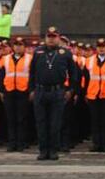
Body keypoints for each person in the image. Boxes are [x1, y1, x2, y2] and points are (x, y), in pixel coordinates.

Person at [30, 27, 79, 161]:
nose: (51, 39)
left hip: (57, 91)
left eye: (54, 36)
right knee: (41, 122)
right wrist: (31, 90)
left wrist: (70, 90)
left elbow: (74, 73)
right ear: (45, 38)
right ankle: (43, 150)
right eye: (49, 36)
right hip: (40, 91)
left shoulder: (65, 53)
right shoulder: (38, 52)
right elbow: (32, 72)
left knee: (55, 123)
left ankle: (53, 150)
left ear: (58, 38)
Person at [0, 37, 32, 151]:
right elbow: (1, 75)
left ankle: (21, 142)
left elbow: (33, 76)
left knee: (22, 118)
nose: (18, 47)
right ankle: (12, 142)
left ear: (25, 47)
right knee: (10, 118)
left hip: (23, 91)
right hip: (9, 91)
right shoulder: (5, 59)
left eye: (21, 45)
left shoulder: (30, 59)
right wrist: (1, 90)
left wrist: (31, 90)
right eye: (16, 45)